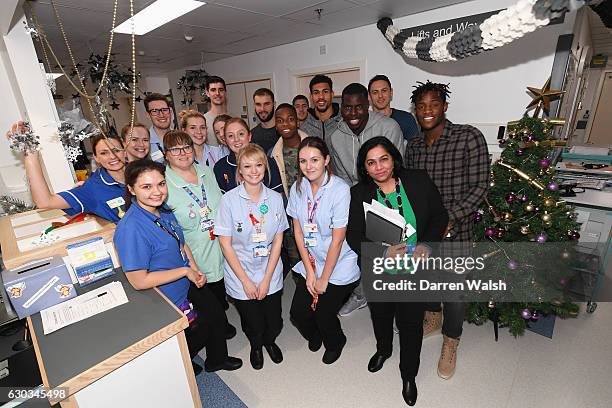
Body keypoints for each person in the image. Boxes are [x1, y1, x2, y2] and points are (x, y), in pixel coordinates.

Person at [113, 159, 243, 375]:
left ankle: (217, 360)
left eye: (161, 184)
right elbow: (139, 281)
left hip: (186, 280)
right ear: (131, 189)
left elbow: (180, 242)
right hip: (164, 295)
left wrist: (194, 268)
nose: (157, 192)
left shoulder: (163, 211)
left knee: (216, 315)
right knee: (194, 334)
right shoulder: (130, 228)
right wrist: (185, 271)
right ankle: (181, 365)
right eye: (147, 187)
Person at [346, 137, 447, 406]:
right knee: (380, 316)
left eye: (384, 159)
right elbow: (352, 235)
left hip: (413, 270)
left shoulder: (418, 180)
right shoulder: (359, 194)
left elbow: (440, 216)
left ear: (394, 158)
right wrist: (382, 253)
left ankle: (409, 375)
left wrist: (427, 244)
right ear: (364, 167)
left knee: (410, 324)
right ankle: (383, 350)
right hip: (379, 270)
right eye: (371, 162)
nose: (378, 167)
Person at [405, 81, 489, 380]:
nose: (427, 111)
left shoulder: (468, 137)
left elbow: (480, 185)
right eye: (421, 106)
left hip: (457, 231)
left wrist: (448, 218)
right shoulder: (413, 146)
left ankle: (451, 341)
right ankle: (433, 317)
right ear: (416, 110)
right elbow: (409, 188)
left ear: (445, 107)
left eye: (434, 104)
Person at [328, 82, 405, 316]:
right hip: (356, 198)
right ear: (341, 108)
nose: (353, 113)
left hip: (389, 197)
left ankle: (398, 302)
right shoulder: (335, 136)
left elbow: (399, 165)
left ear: (367, 105)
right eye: (347, 108)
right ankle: (362, 293)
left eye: (359, 107)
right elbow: (341, 175)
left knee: (393, 252)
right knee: (364, 251)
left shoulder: (389, 127)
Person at [214, 144, 289, 370]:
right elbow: (225, 244)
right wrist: (246, 281)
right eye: (247, 166)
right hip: (240, 270)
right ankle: (256, 345)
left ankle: (270, 341)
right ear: (240, 171)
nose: (254, 171)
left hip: (270, 267)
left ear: (265, 168)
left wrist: (267, 279)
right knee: (253, 321)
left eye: (258, 165)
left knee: (274, 321)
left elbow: (278, 239)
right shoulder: (228, 200)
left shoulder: (275, 198)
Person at [287, 137, 360, 365]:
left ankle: (336, 341)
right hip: (312, 259)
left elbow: (338, 240)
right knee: (298, 314)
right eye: (303, 161)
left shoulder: (340, 190)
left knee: (324, 313)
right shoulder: (298, 188)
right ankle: (316, 334)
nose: (309, 166)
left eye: (315, 160)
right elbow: (298, 232)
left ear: (326, 160)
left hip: (338, 262)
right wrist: (310, 272)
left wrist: (323, 278)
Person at [163, 130, 236, 339]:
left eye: (186, 147)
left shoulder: (206, 171)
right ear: (166, 154)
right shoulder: (165, 184)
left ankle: (221, 321)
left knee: (220, 291)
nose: (183, 153)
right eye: (175, 149)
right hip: (194, 252)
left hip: (220, 246)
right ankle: (216, 330)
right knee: (205, 301)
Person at [7, 122, 127, 222]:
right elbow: (45, 201)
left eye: (116, 150)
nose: (112, 156)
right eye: (103, 153)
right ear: (96, 158)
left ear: (124, 151)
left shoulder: (141, 174)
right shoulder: (93, 188)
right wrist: (30, 153)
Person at [269, 104, 308, 278]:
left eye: (291, 119)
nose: (286, 124)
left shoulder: (312, 145)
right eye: (280, 120)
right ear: (275, 125)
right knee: (295, 258)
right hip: (288, 215)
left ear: (298, 121)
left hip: (311, 212)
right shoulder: (272, 154)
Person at [213, 117, 283, 195]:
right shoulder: (220, 167)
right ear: (225, 140)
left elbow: (277, 196)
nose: (236, 139)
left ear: (249, 136)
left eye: (241, 134)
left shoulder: (267, 162)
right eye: (230, 136)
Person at [368, 75, 419, 143]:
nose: (380, 96)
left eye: (384, 91)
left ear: (391, 92)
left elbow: (415, 148)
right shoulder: (364, 122)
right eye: (375, 92)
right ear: (369, 96)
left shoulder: (406, 119)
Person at [299, 74, 342, 140]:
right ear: (311, 97)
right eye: (316, 93)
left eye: (325, 92)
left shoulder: (344, 121)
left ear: (332, 94)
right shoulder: (304, 128)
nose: (321, 97)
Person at [144, 93, 172, 162]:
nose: (161, 115)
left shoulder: (181, 138)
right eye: (155, 111)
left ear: (170, 111)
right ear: (148, 115)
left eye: (164, 110)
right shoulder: (144, 144)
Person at [251, 88, 279, 153]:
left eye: (266, 104)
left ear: (274, 105)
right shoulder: (252, 135)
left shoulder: (284, 131)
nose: (262, 109)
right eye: (258, 104)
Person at [204, 76, 227, 146]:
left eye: (221, 89)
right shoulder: (203, 120)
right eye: (213, 90)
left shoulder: (233, 118)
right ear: (207, 93)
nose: (217, 93)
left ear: (225, 92)